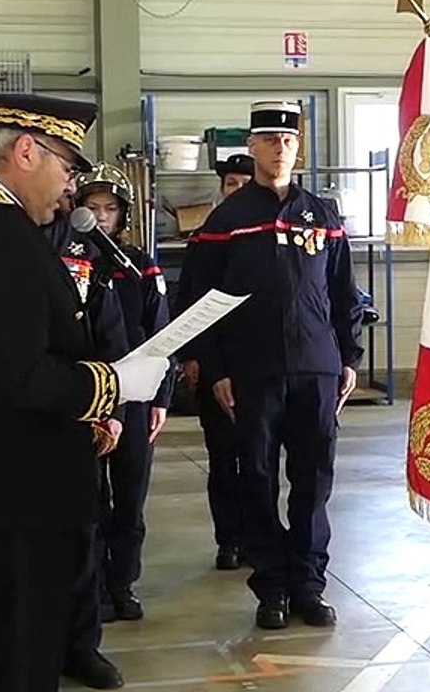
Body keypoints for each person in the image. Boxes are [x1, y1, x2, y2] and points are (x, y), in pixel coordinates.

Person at [0, 92, 170, 691]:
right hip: (12, 489)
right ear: (27, 151)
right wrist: (114, 384)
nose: (69, 185)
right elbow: (23, 373)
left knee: (0, 646)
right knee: (15, 654)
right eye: (67, 165)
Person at [185, 100, 364, 630]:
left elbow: (343, 291)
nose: (279, 149)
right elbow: (198, 299)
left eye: (288, 141)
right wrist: (215, 368)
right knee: (257, 480)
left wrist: (348, 356)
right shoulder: (227, 221)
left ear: (298, 147)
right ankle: (271, 586)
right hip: (252, 372)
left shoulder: (322, 216)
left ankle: (308, 583)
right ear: (253, 148)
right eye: (268, 141)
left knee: (313, 481)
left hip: (316, 369)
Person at [40, 192, 131, 691]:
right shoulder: (4, 236)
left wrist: (111, 410)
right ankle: (34, 646)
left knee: (82, 535)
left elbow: (110, 332)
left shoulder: (86, 249)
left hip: (82, 410)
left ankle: (81, 646)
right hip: (22, 412)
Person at [74, 162, 173, 620]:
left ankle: (123, 583)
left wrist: (162, 398)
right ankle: (90, 588)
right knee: (90, 500)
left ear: (122, 215)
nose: (101, 217)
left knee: (130, 497)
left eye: (109, 209)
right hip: (88, 395)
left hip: (135, 397)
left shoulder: (140, 265)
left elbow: (161, 332)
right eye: (91, 208)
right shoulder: (70, 262)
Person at [178, 152, 253, 570]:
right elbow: (189, 299)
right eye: (231, 184)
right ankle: (229, 540)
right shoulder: (206, 237)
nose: (238, 190)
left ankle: (257, 537)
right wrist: (192, 355)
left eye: (245, 182)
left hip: (257, 363)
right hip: (214, 361)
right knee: (224, 458)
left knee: (257, 458)